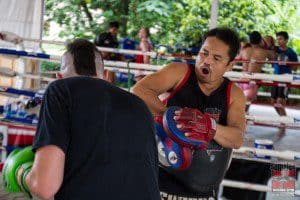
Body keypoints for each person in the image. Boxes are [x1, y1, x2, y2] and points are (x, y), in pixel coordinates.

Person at [2, 39, 160, 200]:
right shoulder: (139, 105)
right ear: (105, 76)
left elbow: (44, 187)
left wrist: (20, 173)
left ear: (59, 77)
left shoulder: (60, 90)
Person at [132, 28, 246, 199]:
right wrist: (172, 117)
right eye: (204, 53)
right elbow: (138, 90)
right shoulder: (179, 72)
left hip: (202, 192)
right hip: (161, 184)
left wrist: (209, 126)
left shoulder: (234, 94)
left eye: (216, 58)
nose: (206, 61)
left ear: (229, 64)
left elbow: (237, 139)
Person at [237, 31, 276, 112]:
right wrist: (270, 44)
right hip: (252, 82)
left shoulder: (244, 51)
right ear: (260, 40)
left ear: (250, 40)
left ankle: (237, 123)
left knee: (239, 107)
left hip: (241, 81)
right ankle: (239, 123)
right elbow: (274, 56)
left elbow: (235, 59)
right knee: (244, 110)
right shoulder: (264, 52)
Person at [271, 31, 299, 121]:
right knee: (273, 102)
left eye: (281, 39)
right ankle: (283, 119)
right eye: (277, 39)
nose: (278, 41)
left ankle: (283, 122)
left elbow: (295, 68)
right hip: (275, 78)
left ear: (286, 40)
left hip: (285, 78)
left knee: (280, 101)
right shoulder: (274, 50)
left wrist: (288, 64)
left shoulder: (291, 52)